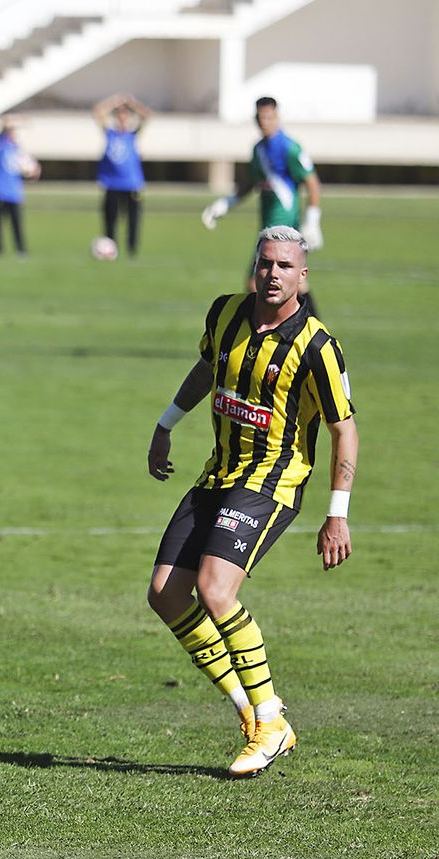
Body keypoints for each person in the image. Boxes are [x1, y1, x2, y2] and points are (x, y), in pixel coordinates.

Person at [145, 226, 357, 776]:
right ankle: (251, 712)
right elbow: (206, 368)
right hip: (219, 474)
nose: (272, 274)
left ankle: (269, 719)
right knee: (166, 594)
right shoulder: (225, 314)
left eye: (285, 266)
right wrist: (166, 424)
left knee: (216, 589)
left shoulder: (316, 346)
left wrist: (338, 514)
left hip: (271, 482)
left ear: (302, 277)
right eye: (265, 264)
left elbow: (344, 431)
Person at [202, 96, 325, 310]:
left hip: (285, 225)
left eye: (268, 117)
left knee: (257, 282)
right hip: (267, 224)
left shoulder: (289, 147)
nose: (264, 122)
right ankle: (310, 330)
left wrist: (312, 220)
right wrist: (225, 203)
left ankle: (265, 335)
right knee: (294, 283)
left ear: (277, 117)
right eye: (260, 117)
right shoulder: (258, 150)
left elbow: (312, 182)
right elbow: (249, 182)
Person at [92, 92, 151, 256]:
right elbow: (97, 111)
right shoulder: (110, 134)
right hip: (112, 183)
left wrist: (132, 103)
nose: (122, 118)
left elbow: (147, 116)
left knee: (133, 220)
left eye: (125, 115)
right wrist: (115, 101)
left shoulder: (132, 135)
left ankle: (132, 251)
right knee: (110, 220)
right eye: (120, 115)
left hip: (132, 184)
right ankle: (110, 248)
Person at [0, 115, 40, 256]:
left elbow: (24, 170)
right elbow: (5, 122)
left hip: (13, 192)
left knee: (16, 223)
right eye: (12, 132)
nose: (14, 135)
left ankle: (20, 250)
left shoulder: (18, 151)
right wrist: (21, 121)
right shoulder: (1, 145)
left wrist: (32, 173)